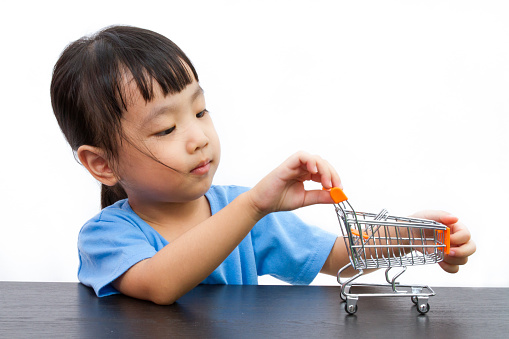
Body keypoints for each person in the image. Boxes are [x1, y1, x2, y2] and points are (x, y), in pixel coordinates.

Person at [50, 25, 475, 305]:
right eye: (165, 129)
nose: (199, 137)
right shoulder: (106, 236)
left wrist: (414, 236)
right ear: (102, 164)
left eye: (200, 112)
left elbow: (337, 257)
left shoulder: (245, 213)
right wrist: (254, 205)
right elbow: (160, 285)